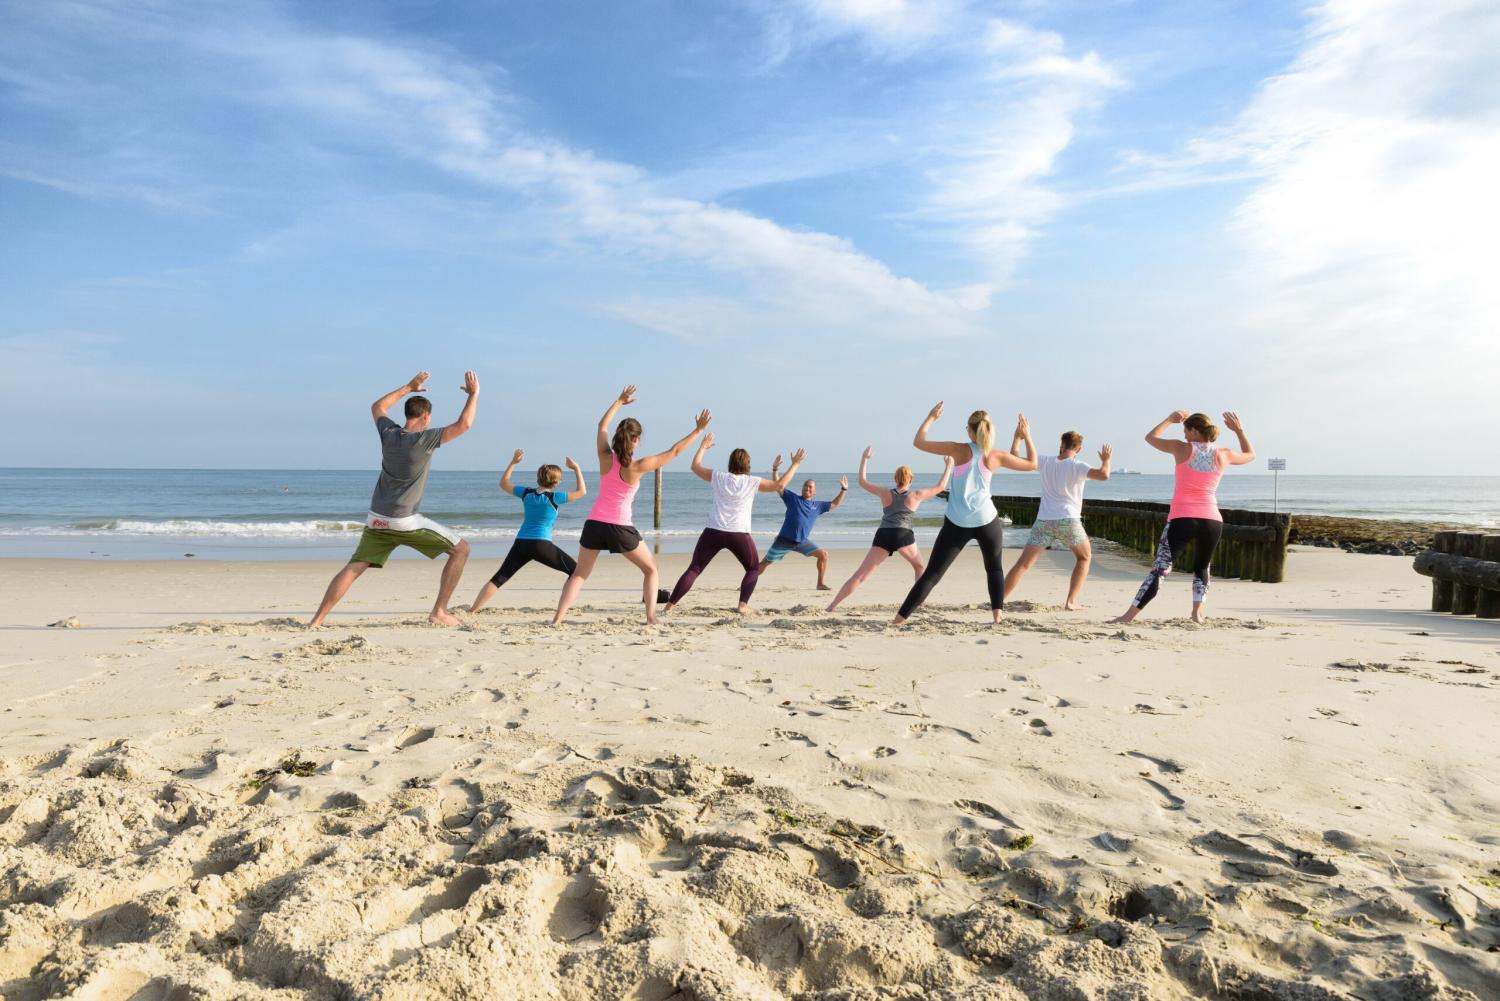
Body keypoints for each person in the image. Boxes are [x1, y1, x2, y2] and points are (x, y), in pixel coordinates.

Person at [310, 371, 479, 629]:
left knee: (354, 567)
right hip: (404, 521)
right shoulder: (425, 440)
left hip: (377, 518)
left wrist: (408, 387)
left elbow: (377, 406)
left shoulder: (388, 433)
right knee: (461, 550)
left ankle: (317, 619)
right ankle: (440, 611)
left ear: (407, 415)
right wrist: (474, 395)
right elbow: (464, 425)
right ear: (425, 416)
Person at [553, 386, 711, 626]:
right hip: (620, 527)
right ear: (636, 440)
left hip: (594, 523)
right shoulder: (639, 465)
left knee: (580, 574)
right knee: (650, 569)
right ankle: (650, 618)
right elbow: (675, 451)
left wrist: (618, 401)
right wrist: (698, 430)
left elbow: (601, 426)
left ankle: (557, 619)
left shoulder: (605, 456)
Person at [893, 404, 1036, 625]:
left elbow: (918, 442)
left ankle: (899, 619)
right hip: (987, 520)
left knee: (932, 574)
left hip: (957, 522)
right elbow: (1031, 464)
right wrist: (1025, 436)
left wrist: (931, 417)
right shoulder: (995, 456)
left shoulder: (958, 450)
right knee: (994, 569)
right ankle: (998, 615)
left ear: (970, 431)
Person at [1111, 411, 1254, 625]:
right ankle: (1197, 614)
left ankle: (1128, 616)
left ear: (1195, 430)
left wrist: (1169, 419)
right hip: (1212, 521)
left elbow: (1150, 438)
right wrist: (1239, 431)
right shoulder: (1223, 454)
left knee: (1160, 570)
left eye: (1186, 430)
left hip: (1182, 518)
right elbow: (1250, 454)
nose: (1185, 435)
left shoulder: (1181, 448)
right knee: (1202, 567)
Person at [662, 437, 805, 614]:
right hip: (739, 534)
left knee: (694, 568)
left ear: (730, 463)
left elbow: (695, 466)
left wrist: (703, 447)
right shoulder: (752, 482)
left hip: (713, 531)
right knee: (753, 568)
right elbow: (780, 485)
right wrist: (795, 464)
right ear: (748, 465)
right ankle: (743, 605)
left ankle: (669, 606)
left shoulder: (718, 477)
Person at [825, 447, 953, 612]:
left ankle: (832, 606)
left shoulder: (885, 492)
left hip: (884, 535)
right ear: (910, 479)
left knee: (861, 575)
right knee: (920, 567)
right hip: (903, 535)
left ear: (895, 479)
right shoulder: (915, 495)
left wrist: (865, 458)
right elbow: (941, 486)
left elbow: (862, 481)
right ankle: (918, 603)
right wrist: (948, 465)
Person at [1002, 432, 1112, 610]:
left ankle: (998, 600)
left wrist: (1017, 438)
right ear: (1079, 449)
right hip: (1068, 520)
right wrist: (1106, 460)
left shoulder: (1045, 461)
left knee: (1023, 564)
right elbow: (1104, 475)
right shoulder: (1078, 465)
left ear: (1061, 443)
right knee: (1084, 558)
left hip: (1044, 520)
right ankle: (1071, 601)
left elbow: (1015, 457)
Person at [467, 450, 586, 613]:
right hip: (541, 544)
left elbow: (503, 483)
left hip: (521, 543)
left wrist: (513, 463)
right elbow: (582, 492)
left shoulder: (526, 493)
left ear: (539, 478)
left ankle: (473, 609)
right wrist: (577, 468)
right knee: (575, 571)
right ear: (556, 482)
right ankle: (562, 610)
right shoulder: (555, 497)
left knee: (500, 577)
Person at [757, 466, 849, 590]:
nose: (807, 488)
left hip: (802, 542)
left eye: (810, 487)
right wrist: (775, 470)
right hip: (784, 540)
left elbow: (835, 503)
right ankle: (747, 582)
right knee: (765, 562)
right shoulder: (792, 499)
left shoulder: (818, 506)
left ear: (814, 491)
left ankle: (820, 584)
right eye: (805, 486)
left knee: (823, 555)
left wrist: (844, 489)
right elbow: (779, 486)